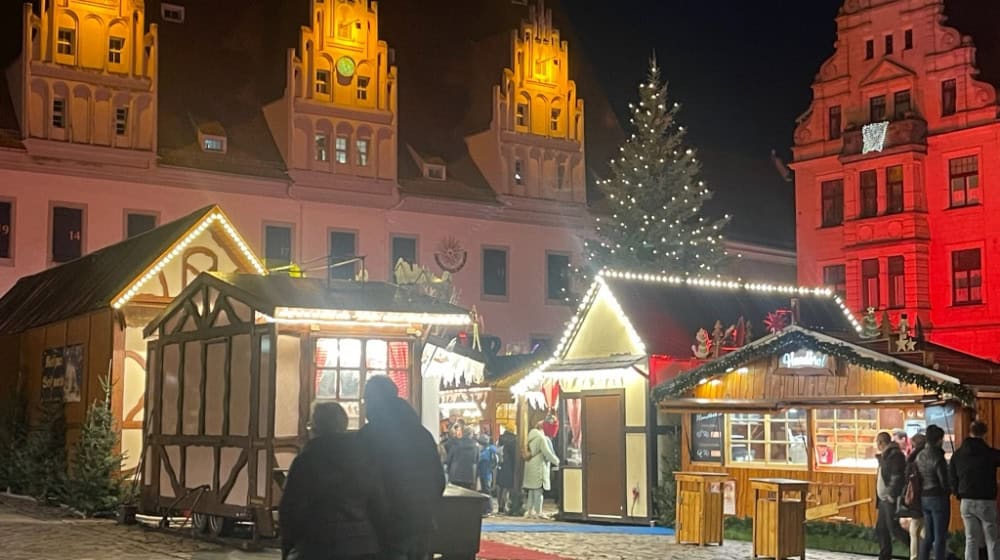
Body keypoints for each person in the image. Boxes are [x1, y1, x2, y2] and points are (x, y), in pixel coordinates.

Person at [279, 401, 382, 560]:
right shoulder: (364, 459)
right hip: (362, 545)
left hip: (317, 544)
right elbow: (378, 503)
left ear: (316, 429)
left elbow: (291, 509)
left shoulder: (306, 462)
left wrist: (287, 547)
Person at [358, 376, 446, 560]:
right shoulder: (422, 434)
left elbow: (362, 481)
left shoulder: (370, 435)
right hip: (421, 522)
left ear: (374, 400)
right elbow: (438, 480)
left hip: (386, 526)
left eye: (366, 399)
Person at [950, 421, 1000, 560]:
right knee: (992, 539)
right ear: (985, 433)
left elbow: (952, 476)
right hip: (986, 500)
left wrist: (957, 493)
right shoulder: (989, 453)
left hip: (966, 500)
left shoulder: (958, 454)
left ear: (969, 432)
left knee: (971, 540)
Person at [875, 431, 910, 560]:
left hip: (889, 499)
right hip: (884, 499)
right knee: (881, 529)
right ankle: (884, 556)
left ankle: (918, 549)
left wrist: (891, 495)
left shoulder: (894, 455)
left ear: (881, 443)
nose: (877, 445)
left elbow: (896, 477)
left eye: (878, 442)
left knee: (895, 530)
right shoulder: (886, 455)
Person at [917, 424, 950, 560]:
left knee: (928, 536)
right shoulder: (938, 456)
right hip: (938, 498)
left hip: (924, 497)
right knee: (940, 536)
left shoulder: (920, 455)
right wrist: (950, 489)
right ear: (939, 440)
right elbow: (944, 481)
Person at [522, 420, 559, 519]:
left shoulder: (530, 437)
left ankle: (529, 511)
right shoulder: (541, 438)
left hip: (530, 466)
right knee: (538, 491)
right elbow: (547, 453)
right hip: (538, 467)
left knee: (532, 491)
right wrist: (557, 461)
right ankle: (538, 511)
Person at [900, 433, 927, 560]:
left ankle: (915, 557)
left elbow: (907, 478)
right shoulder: (926, 455)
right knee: (920, 528)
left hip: (916, 496)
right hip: (925, 495)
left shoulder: (912, 457)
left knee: (916, 529)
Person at [445, 425, 479, 491]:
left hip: (455, 474)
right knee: (467, 496)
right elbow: (477, 461)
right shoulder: (475, 446)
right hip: (469, 475)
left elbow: (448, 460)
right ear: (471, 435)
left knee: (455, 497)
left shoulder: (455, 444)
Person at [496, 424, 518, 515]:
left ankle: (500, 507)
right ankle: (505, 506)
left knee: (500, 487)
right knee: (507, 487)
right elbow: (514, 456)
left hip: (501, 465)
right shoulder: (514, 440)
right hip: (510, 466)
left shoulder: (501, 438)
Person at [477, 433, 499, 514]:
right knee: (487, 491)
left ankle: (488, 508)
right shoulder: (492, 449)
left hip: (484, 474)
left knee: (486, 491)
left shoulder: (485, 452)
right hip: (489, 473)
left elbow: (481, 460)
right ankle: (488, 508)